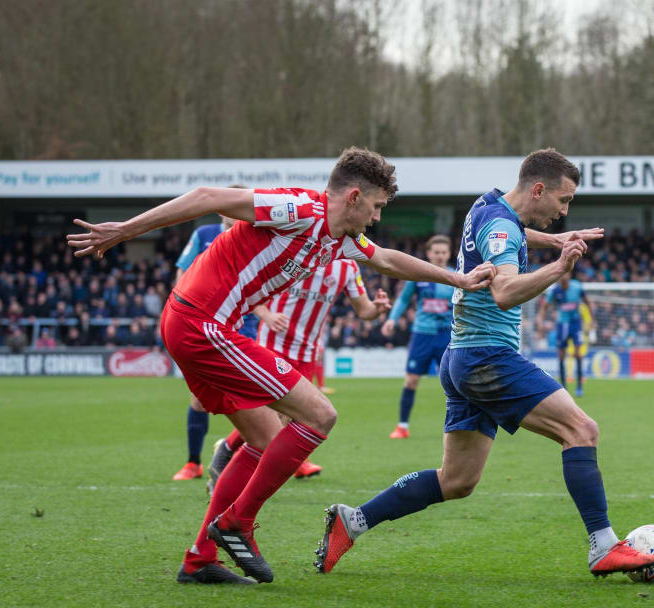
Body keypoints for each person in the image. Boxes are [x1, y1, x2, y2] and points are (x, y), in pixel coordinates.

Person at [67, 146, 494, 585]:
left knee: (265, 437)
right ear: (353, 196)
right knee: (320, 414)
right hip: (202, 323)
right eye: (377, 206)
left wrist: (456, 279)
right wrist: (126, 230)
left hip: (204, 326)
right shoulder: (299, 208)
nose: (377, 217)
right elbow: (207, 196)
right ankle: (236, 523)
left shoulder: (341, 238)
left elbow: (386, 258)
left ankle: (199, 559)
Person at [313, 148, 654, 579]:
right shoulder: (501, 223)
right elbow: (505, 291)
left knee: (456, 480)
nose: (564, 211)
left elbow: (507, 233)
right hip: (487, 359)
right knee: (581, 430)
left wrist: (550, 239)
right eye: (563, 200)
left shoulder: (488, 204)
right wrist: (559, 265)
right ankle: (603, 544)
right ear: (538, 189)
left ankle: (353, 521)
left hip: (460, 358)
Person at [205, 257, 392, 494]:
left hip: (306, 355)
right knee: (270, 419)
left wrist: (377, 309)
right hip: (273, 346)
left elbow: (364, 310)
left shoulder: (348, 267)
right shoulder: (295, 254)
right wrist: (267, 315)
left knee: (286, 421)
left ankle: (228, 455)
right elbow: (250, 290)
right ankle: (229, 468)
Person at [171, 210, 260, 482]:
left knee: (257, 396)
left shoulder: (255, 234)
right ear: (225, 212)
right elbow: (183, 271)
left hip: (243, 325)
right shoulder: (204, 235)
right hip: (205, 324)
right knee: (199, 399)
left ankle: (240, 455)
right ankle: (193, 462)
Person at [380, 234, 455, 438]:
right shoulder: (418, 276)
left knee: (456, 383)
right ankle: (402, 426)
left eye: (443, 252)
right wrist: (392, 319)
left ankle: (462, 426)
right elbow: (403, 300)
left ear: (449, 254)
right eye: (436, 252)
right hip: (422, 334)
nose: (440, 256)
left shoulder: (456, 276)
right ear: (429, 254)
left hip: (447, 335)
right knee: (411, 380)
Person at [536, 271, 592, 396]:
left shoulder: (577, 287)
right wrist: (541, 319)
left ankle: (579, 386)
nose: (563, 277)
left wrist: (591, 319)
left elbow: (587, 301)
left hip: (576, 324)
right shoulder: (555, 291)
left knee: (578, 354)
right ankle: (564, 387)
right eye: (561, 275)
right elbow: (545, 307)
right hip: (562, 325)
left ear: (569, 275)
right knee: (561, 356)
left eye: (565, 274)